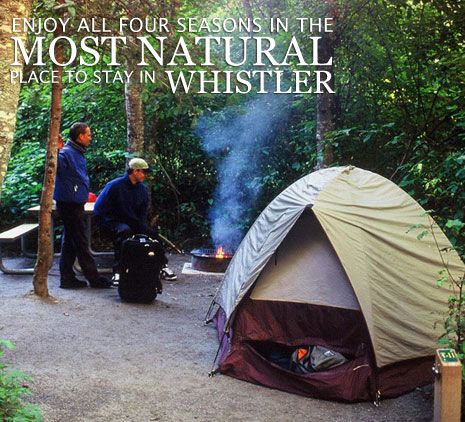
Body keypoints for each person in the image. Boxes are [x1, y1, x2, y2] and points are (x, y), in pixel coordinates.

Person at [93, 158, 177, 281]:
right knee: (124, 232)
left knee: (152, 234)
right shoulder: (114, 186)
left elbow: (142, 213)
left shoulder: (142, 189)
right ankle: (118, 271)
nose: (146, 175)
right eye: (144, 172)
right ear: (135, 171)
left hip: (132, 222)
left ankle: (162, 266)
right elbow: (99, 209)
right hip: (112, 221)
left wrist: (143, 226)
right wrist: (107, 224)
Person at [54, 122, 112, 289]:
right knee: (80, 241)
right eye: (88, 134)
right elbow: (55, 166)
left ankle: (67, 278)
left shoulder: (76, 152)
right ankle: (94, 278)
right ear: (80, 136)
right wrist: (56, 151)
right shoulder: (66, 153)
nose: (90, 137)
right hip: (69, 204)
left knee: (70, 242)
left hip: (75, 202)